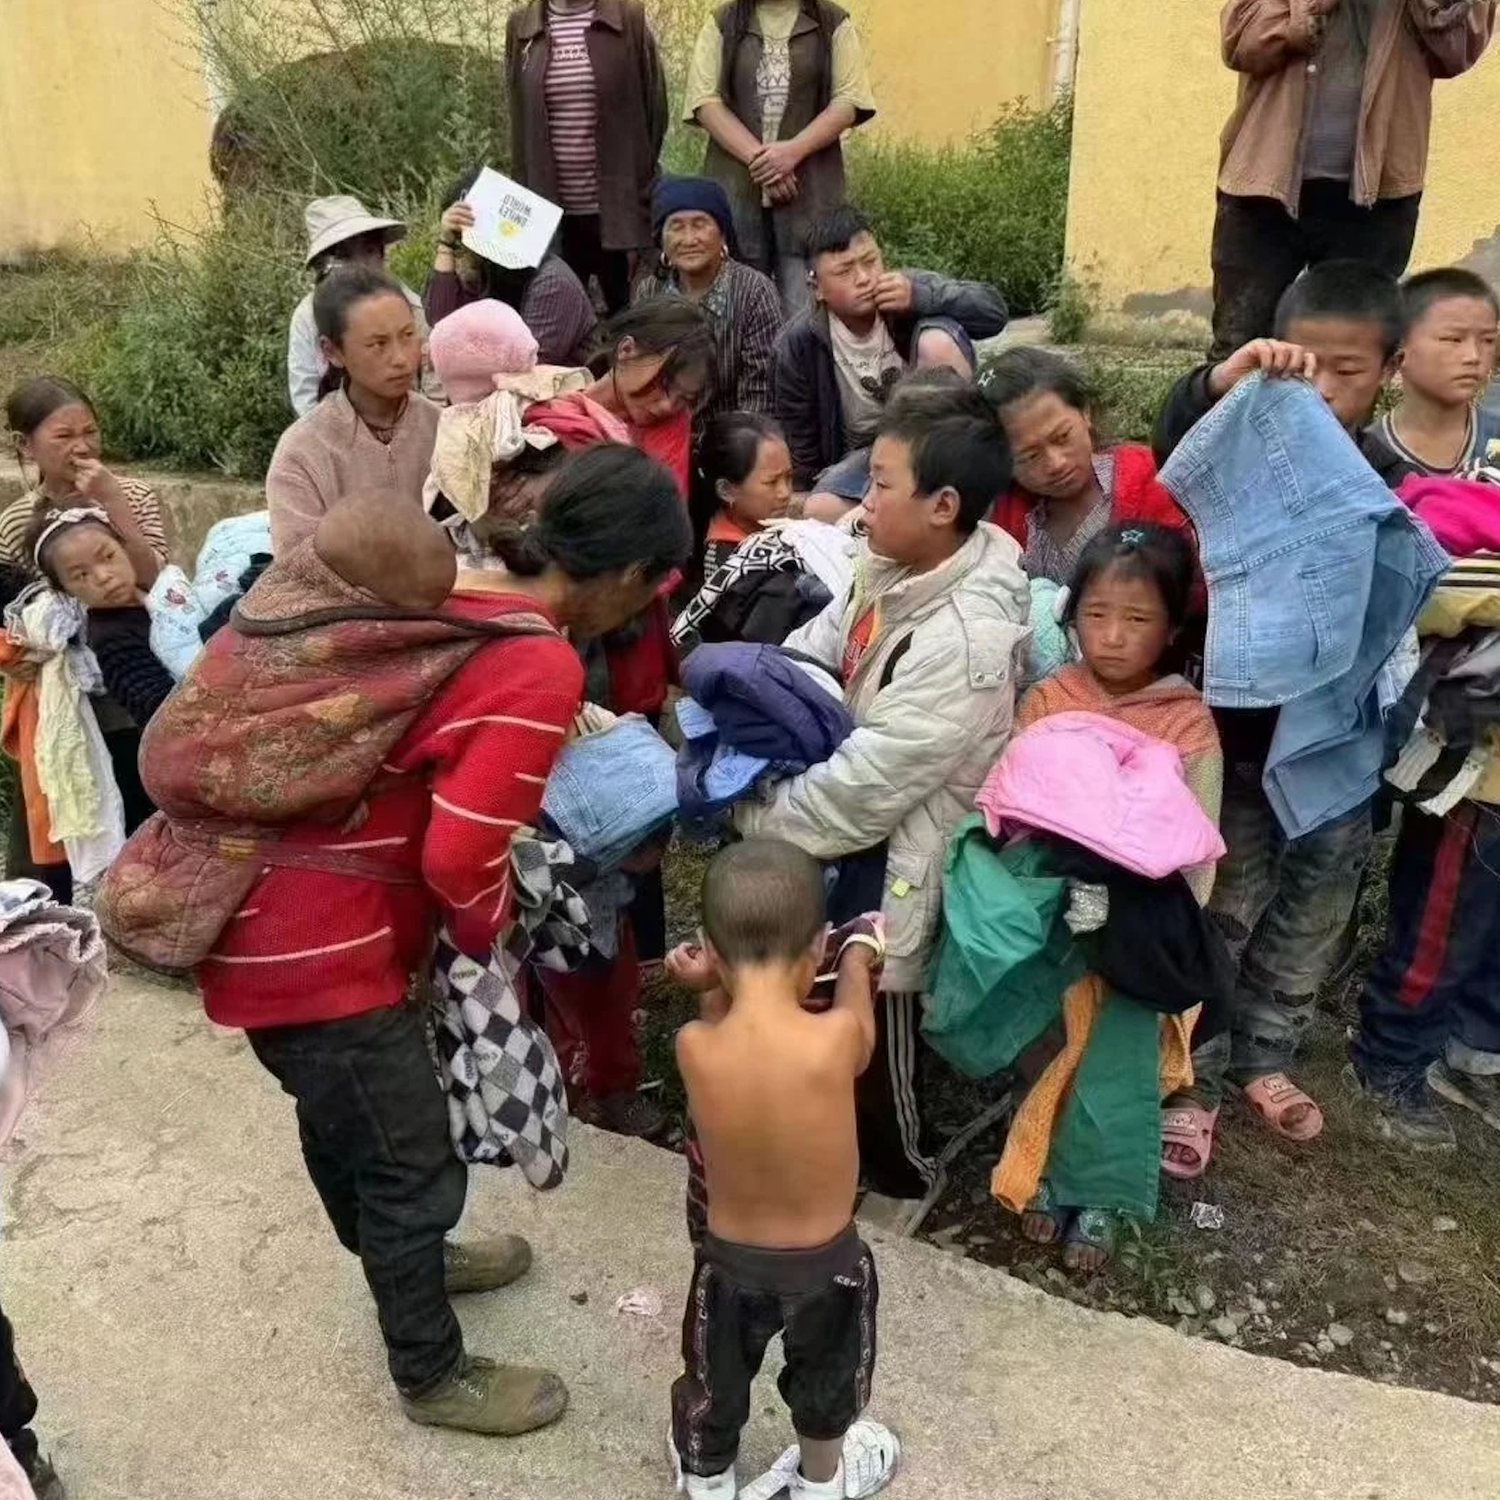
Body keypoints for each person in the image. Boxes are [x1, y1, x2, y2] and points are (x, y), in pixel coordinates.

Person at [195, 446, 691, 1434]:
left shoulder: (455, 586)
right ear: (630, 578)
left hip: (253, 906)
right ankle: (430, 1370)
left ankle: (404, 1253)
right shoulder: (535, 655)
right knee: (409, 1156)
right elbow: (463, 860)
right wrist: (489, 950)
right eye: (654, 587)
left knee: (351, 1115)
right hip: (323, 947)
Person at [736, 406, 1030, 1204]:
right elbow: (807, 657)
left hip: (899, 854)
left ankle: (901, 1174)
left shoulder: (964, 637)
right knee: (822, 996)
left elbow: (864, 793)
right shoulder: (889, 565)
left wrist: (757, 810)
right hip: (844, 822)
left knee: (878, 1023)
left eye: (882, 484)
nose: (862, 503)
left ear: (944, 505)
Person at [1153, 260, 1409, 1144]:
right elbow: (1175, 452)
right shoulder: (1251, 448)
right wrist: (1222, 380)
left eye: (1351, 370)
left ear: (1389, 370)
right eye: (1309, 365)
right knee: (1225, 905)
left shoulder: (1393, 479)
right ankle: (1198, 1072)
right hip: (1244, 745)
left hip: (1340, 753)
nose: (1328, 389)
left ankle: (1268, 1055)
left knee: (1313, 909)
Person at [666, 838, 899, 1500]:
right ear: (817, 947)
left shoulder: (695, 1047)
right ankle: (822, 1482)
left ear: (710, 951)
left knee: (715, 1381)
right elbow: (860, 1022)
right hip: (829, 1267)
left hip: (730, 1267)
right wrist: (859, 954)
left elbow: (721, 1021)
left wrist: (708, 984)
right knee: (828, 1382)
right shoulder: (835, 1042)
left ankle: (709, 1480)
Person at [1014, 526, 1224, 1244]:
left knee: (1119, 1059)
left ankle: (1098, 1192)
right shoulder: (1050, 699)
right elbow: (1016, 804)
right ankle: (1039, 1166)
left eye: (1137, 620)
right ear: (1070, 616)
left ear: (1171, 630)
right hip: (1050, 913)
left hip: (1139, 923)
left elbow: (1199, 842)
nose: (1111, 637)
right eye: (1096, 614)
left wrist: (1168, 932)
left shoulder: (1185, 719)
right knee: (1046, 1046)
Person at [1211, 0, 1494, 361]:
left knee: (1351, 355)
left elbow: (1459, 52)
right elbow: (1239, 42)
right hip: (1262, 186)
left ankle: (1337, 422)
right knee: (1239, 349)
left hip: (1379, 195)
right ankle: (1231, 420)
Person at [1, 376, 168, 903]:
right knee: (59, 820)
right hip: (60, 702)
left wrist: (113, 500)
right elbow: (21, 614)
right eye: (63, 436)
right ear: (26, 446)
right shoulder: (14, 523)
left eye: (90, 432)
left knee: (142, 801)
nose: (81, 447)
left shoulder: (134, 495)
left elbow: (156, 579)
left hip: (133, 675)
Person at [774, 206, 1009, 490]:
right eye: (845, 270)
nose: (864, 278)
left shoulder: (908, 289)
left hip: (935, 437)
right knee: (823, 503)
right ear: (816, 288)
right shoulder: (798, 342)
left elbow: (994, 313)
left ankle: (965, 463)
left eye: (870, 261)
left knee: (937, 342)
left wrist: (920, 297)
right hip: (863, 453)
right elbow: (802, 441)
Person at [683, 1, 876, 313]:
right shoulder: (723, 21)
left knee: (806, 313)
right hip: (735, 192)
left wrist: (792, 152)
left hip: (810, 192)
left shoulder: (832, 21)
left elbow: (848, 100)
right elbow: (705, 101)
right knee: (735, 309)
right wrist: (764, 163)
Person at [504, 0, 668, 314]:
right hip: (552, 214)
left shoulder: (628, 18)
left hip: (619, 213)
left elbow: (654, 110)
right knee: (561, 323)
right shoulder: (522, 26)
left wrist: (640, 182)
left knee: (630, 319)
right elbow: (519, 120)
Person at [266, 267, 442, 554]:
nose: (400, 358)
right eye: (378, 344)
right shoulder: (302, 453)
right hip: (347, 599)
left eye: (408, 335)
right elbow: (297, 566)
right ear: (333, 351)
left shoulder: (442, 429)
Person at [985, 348, 1195, 585]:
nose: (1056, 463)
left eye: (1062, 437)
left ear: (1084, 412)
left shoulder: (1154, 482)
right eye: (1029, 456)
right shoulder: (1000, 517)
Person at [27, 508, 173, 832]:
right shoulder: (111, 637)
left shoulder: (159, 596)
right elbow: (160, 706)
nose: (103, 576)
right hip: (171, 756)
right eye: (81, 575)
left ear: (124, 547)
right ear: (65, 591)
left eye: (107, 556)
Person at [635, 176, 784, 418]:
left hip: (735, 433)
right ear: (661, 240)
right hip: (665, 423)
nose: (689, 239)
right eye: (676, 226)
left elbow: (761, 395)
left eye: (700, 224)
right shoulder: (649, 292)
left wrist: (737, 447)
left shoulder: (754, 291)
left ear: (723, 235)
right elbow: (640, 378)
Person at [424, 168, 598, 367]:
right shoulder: (485, 272)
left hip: (559, 391)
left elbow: (526, 368)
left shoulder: (551, 281)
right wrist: (445, 244)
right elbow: (443, 326)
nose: (464, 250)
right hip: (498, 388)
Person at [287, 195, 430, 418]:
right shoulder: (308, 316)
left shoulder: (408, 304)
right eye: (346, 255)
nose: (361, 264)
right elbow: (305, 397)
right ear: (325, 266)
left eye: (369, 250)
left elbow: (430, 380)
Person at [1366, 267, 1500, 476]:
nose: (1473, 355)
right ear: (1400, 347)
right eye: (1453, 339)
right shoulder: (1367, 459)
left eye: (1488, 340)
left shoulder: (1496, 435)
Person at [582, 297, 717, 495]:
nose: (668, 406)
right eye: (664, 385)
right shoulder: (551, 404)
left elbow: (664, 514)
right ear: (626, 350)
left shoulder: (674, 424)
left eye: (684, 398)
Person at [697, 411, 795, 575]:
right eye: (771, 482)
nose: (785, 493)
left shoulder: (779, 529)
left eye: (789, 477)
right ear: (726, 490)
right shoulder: (727, 565)